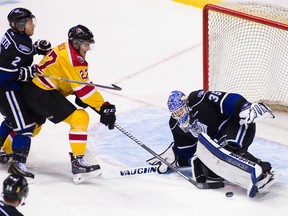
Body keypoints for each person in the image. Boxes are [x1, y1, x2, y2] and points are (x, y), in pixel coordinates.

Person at [21, 24, 116, 183]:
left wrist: (77, 92)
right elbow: (84, 89)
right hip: (42, 92)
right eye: (85, 44)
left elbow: (71, 80)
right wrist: (103, 106)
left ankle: (6, 151)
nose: (88, 48)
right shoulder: (74, 59)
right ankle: (78, 162)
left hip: (34, 89)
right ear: (76, 42)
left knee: (31, 127)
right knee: (79, 118)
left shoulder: (67, 49)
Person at [147, 90, 276, 197]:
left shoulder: (197, 98)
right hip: (218, 142)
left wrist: (244, 107)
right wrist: (175, 158)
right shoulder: (175, 125)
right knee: (212, 164)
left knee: (228, 148)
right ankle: (248, 171)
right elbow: (187, 150)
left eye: (180, 111)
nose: (179, 115)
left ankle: (263, 172)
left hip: (237, 123)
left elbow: (224, 99)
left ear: (186, 103)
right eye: (175, 113)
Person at [0, 8, 51, 178]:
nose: (33, 25)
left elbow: (19, 54)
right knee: (25, 127)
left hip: (6, 88)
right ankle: (18, 164)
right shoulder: (20, 45)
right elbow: (6, 72)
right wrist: (29, 72)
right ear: (21, 25)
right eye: (30, 22)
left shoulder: (13, 36)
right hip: (6, 89)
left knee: (10, 121)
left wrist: (35, 49)